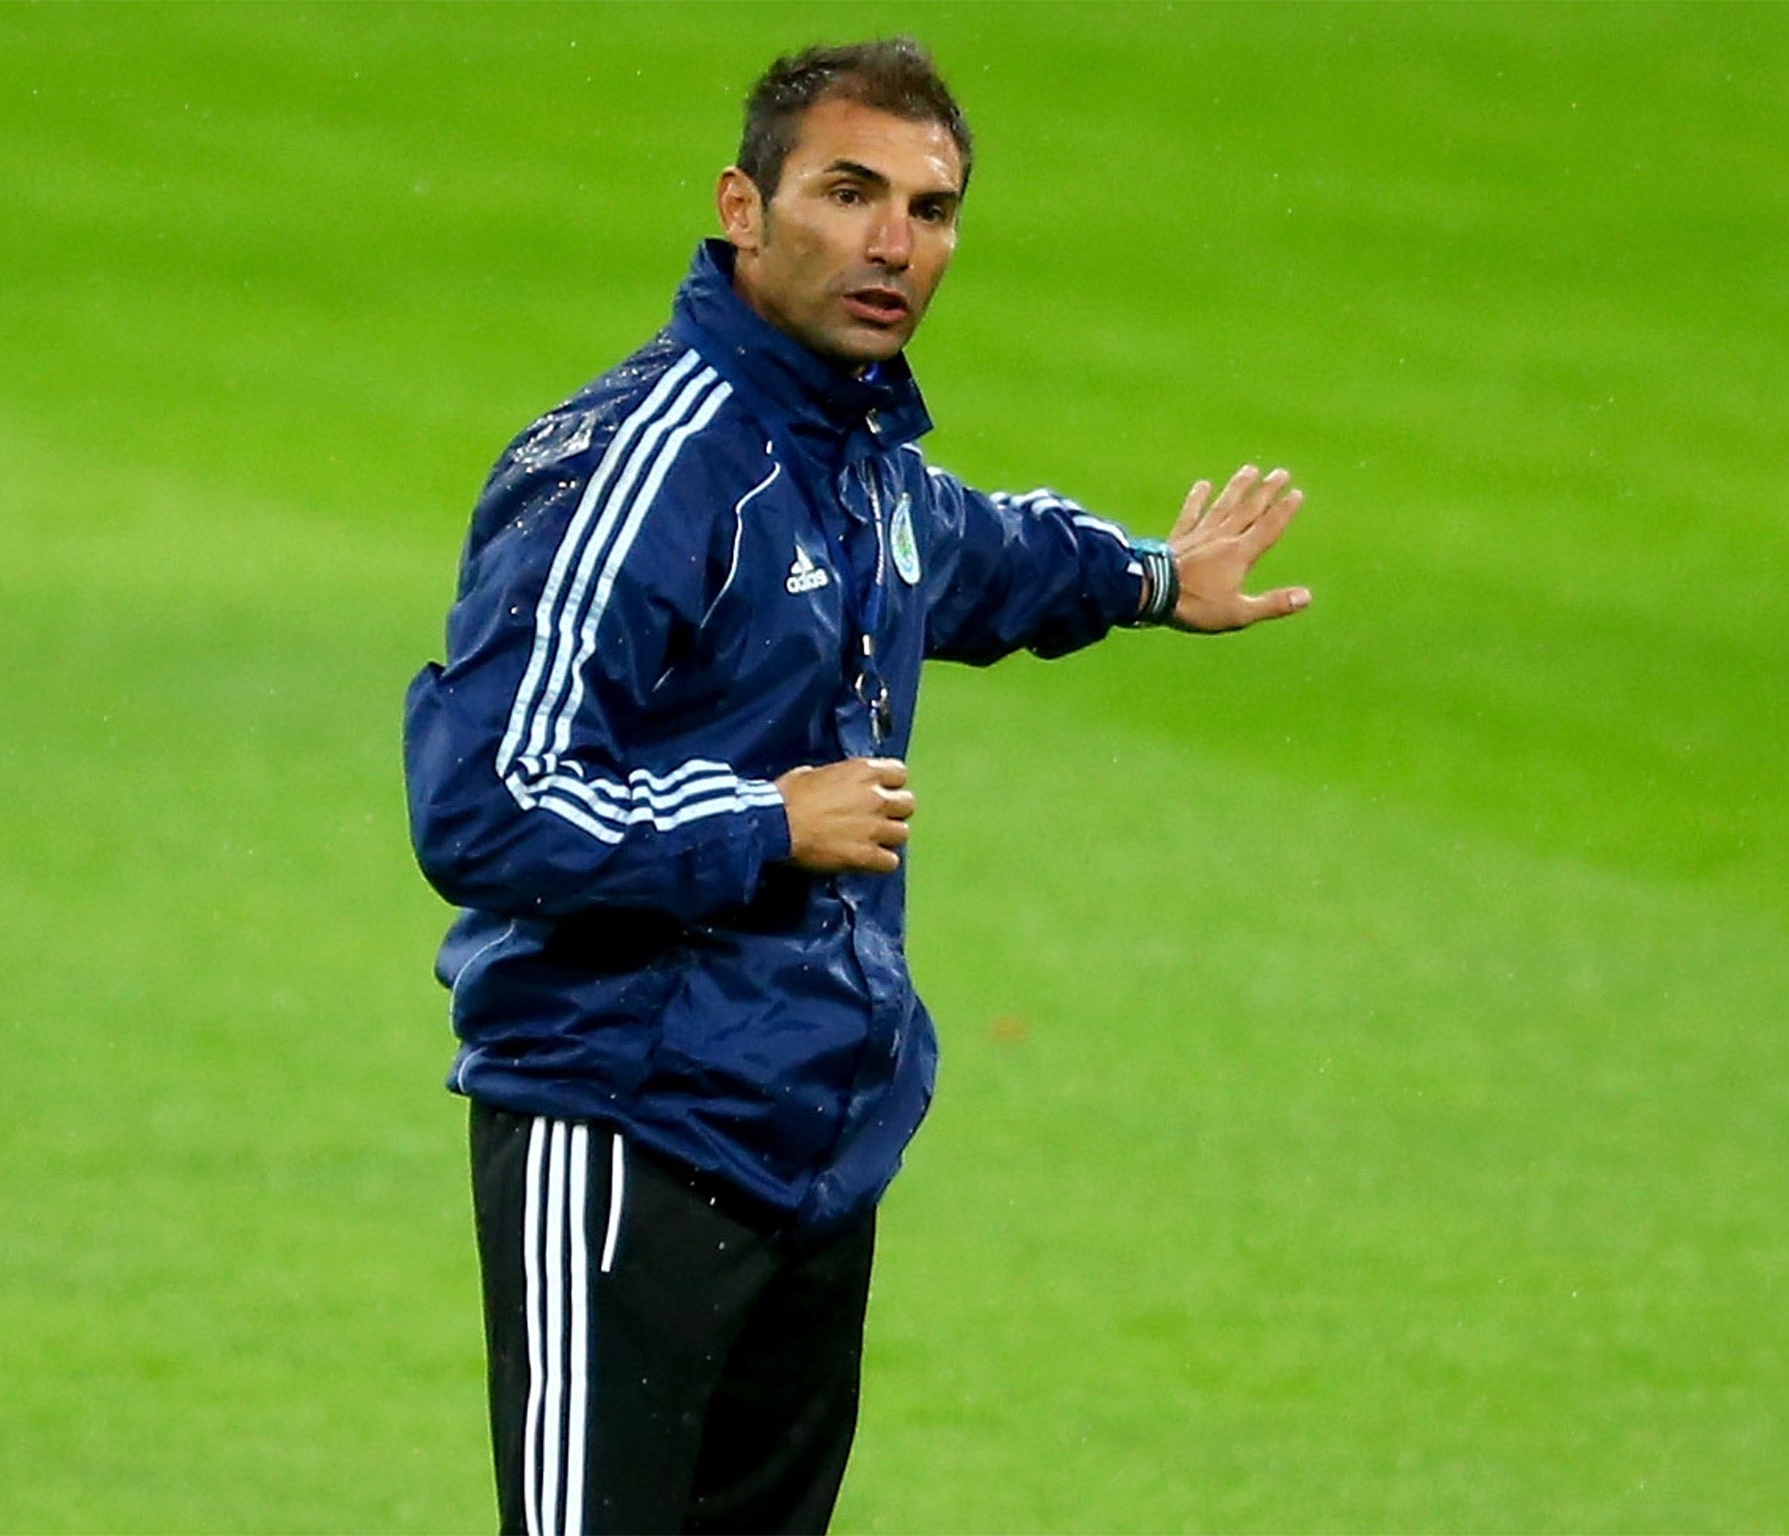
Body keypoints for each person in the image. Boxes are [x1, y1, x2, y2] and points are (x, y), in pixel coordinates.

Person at [403, 36, 1309, 1536]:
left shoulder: (858, 454)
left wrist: (1154, 577)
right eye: (849, 191)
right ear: (743, 210)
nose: (897, 242)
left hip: (810, 1138)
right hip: (624, 1120)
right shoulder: (640, 467)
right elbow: (486, 800)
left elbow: (981, 552)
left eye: (934, 208)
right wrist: (767, 823)